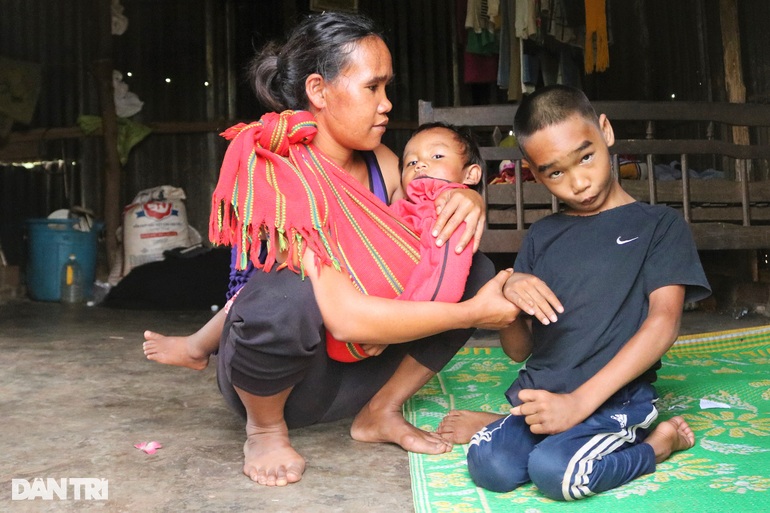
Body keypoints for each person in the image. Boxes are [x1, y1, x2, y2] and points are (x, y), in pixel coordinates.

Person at [143, 11, 518, 488]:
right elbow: (344, 319)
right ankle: (263, 430)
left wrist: (465, 199)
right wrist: (471, 315)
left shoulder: (384, 163)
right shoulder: (278, 173)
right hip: (283, 385)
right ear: (319, 91)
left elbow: (424, 242)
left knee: (473, 266)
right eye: (372, 88)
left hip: (362, 374)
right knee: (286, 294)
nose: (387, 105)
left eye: (388, 88)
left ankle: (380, 412)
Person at [436, 84, 711, 500]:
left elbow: (663, 324)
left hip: (612, 401)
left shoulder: (659, 226)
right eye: (555, 172)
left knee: (558, 474)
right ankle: (513, 422)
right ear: (532, 169)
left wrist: (579, 404)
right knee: (489, 466)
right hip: (544, 396)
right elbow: (519, 350)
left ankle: (658, 443)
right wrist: (509, 290)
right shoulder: (543, 235)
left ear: (606, 131)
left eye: (586, 157)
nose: (579, 182)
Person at [328, 121, 484, 361]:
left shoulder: (450, 215)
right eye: (411, 162)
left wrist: (388, 328)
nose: (420, 164)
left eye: (437, 155)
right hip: (350, 314)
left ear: (471, 174)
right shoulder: (401, 209)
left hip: (387, 327)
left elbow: (444, 286)